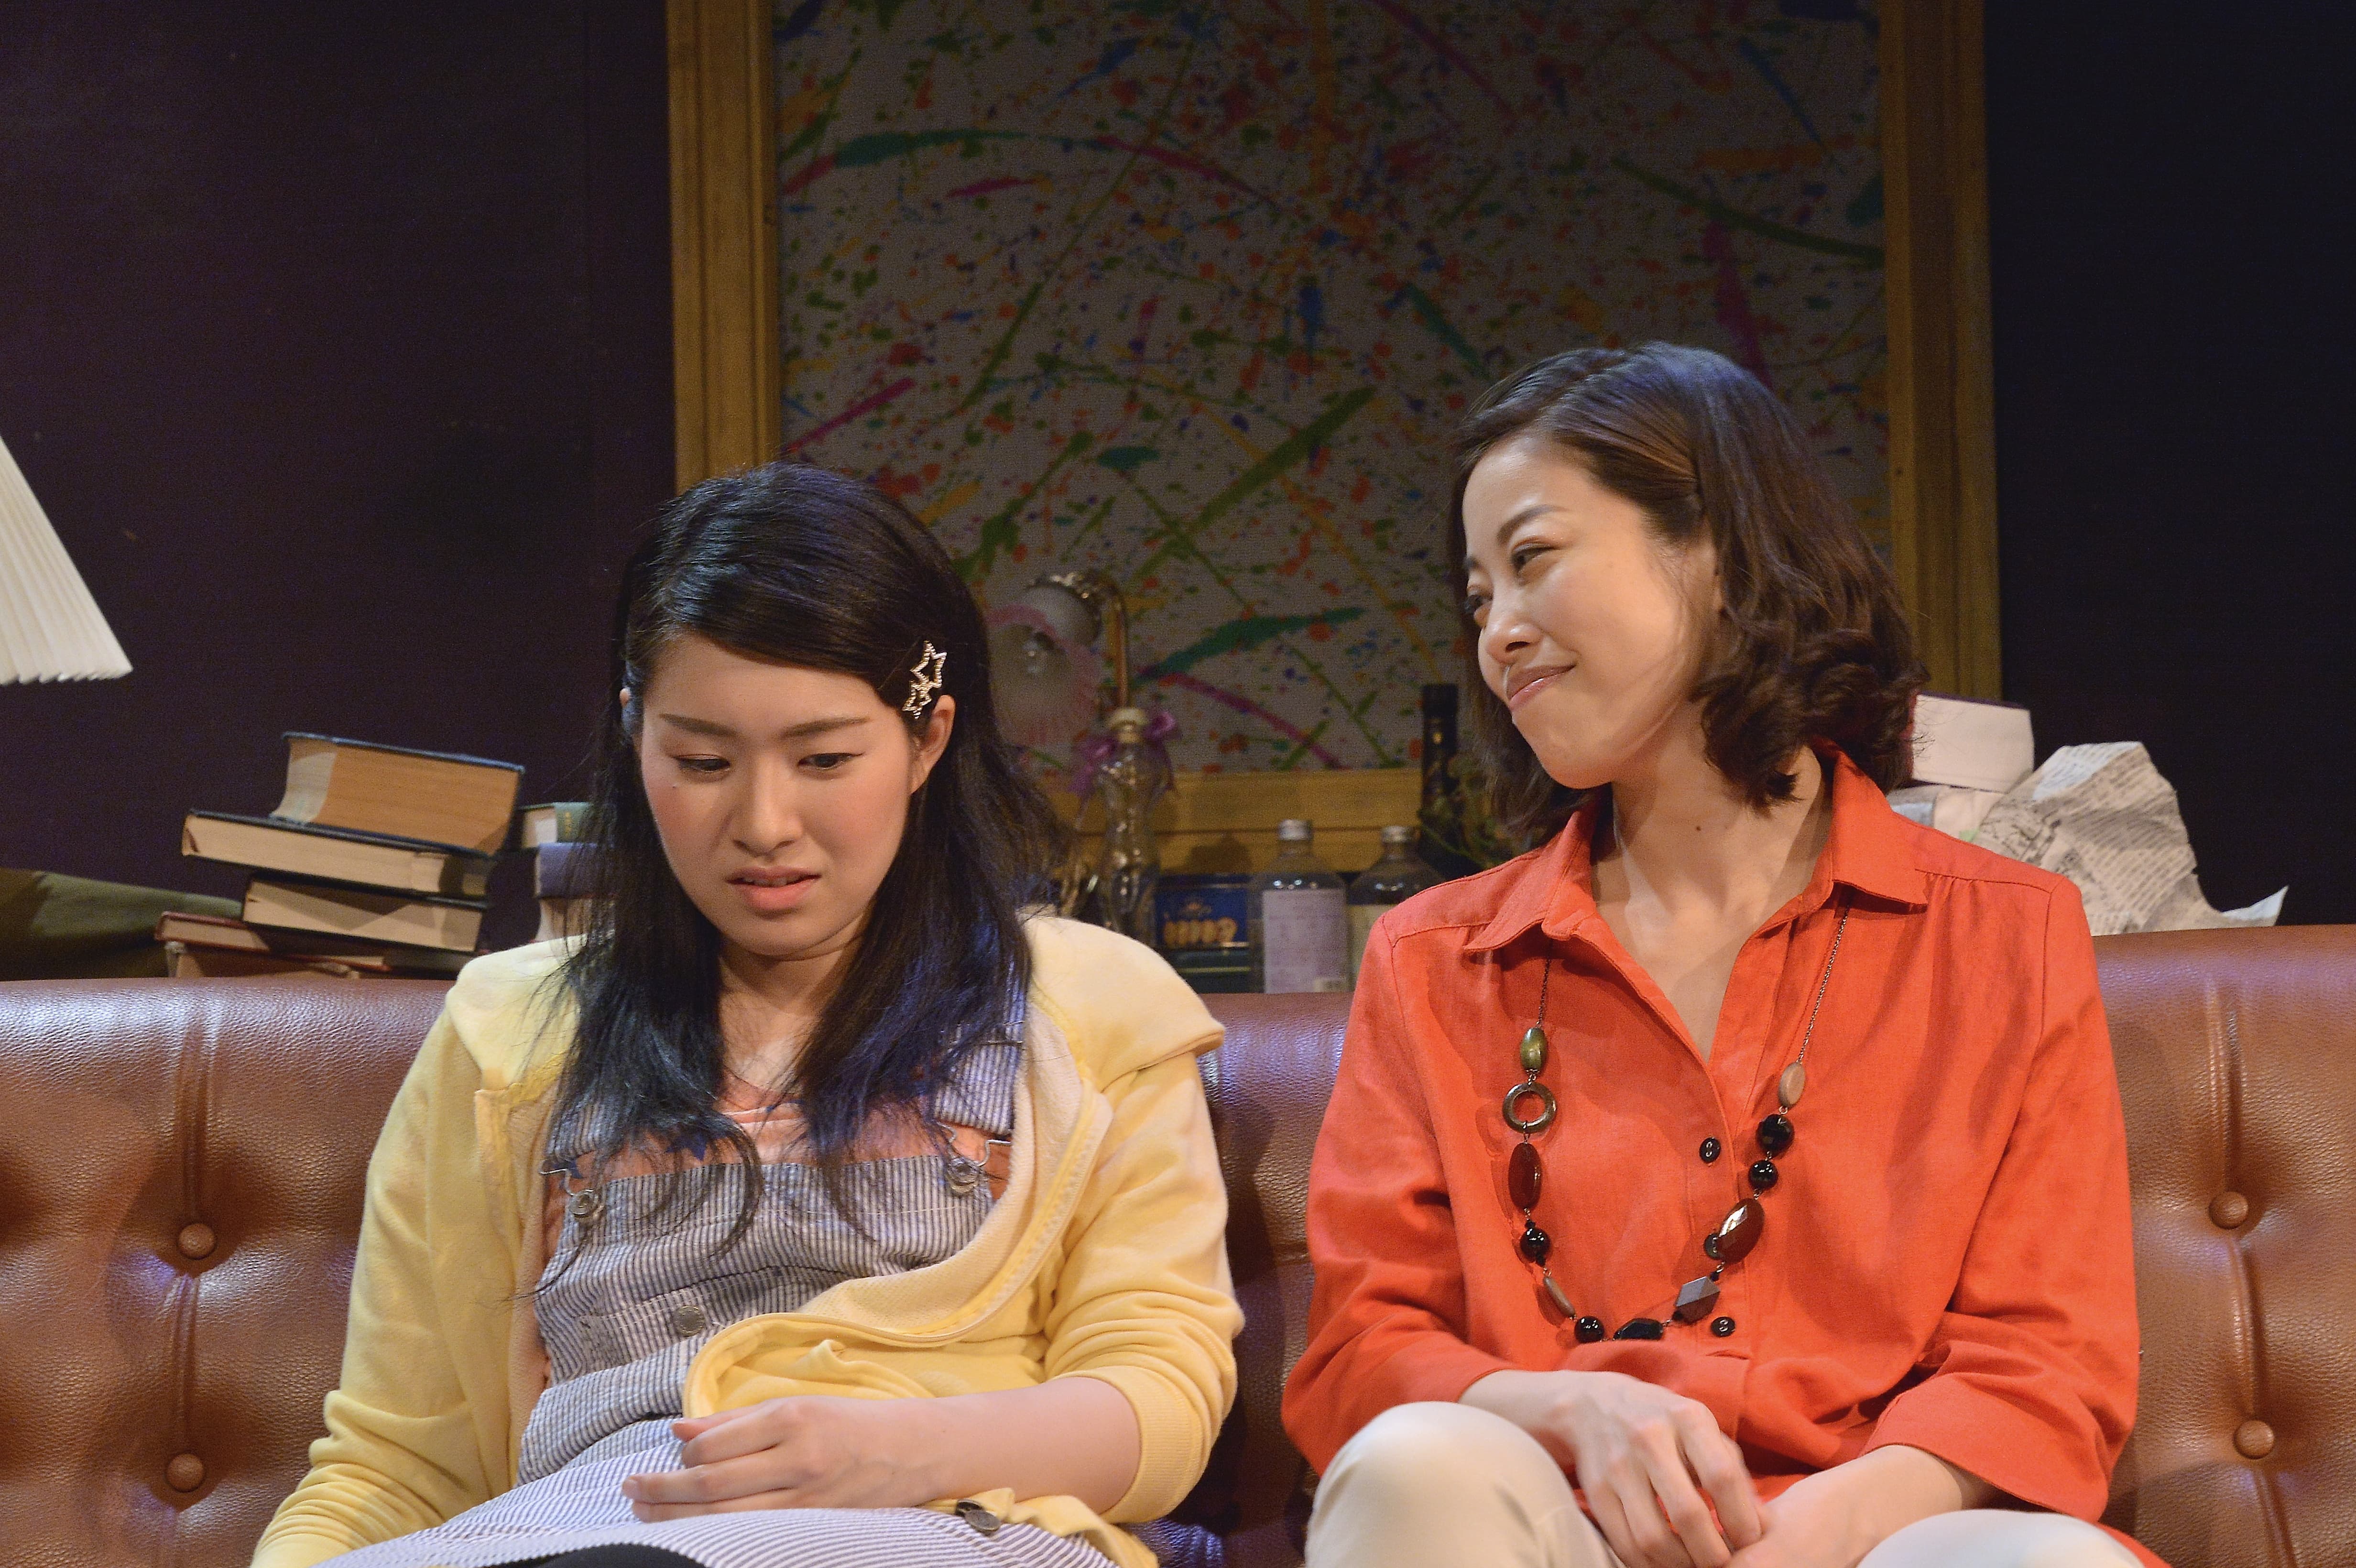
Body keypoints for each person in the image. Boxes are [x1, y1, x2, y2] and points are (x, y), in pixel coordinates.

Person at [252, 463, 1239, 1568]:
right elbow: (397, 1463)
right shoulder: (511, 1030)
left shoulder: (1091, 1005)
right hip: (578, 1530)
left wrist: (903, 1449)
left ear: (926, 740)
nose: (764, 821)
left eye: (824, 759)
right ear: (635, 734)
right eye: (703, 760)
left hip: (949, 1522)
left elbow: (1160, 1399)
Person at [1282, 345, 2152, 1568]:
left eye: (1532, 559)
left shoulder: (2004, 931)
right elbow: (1365, 1346)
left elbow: (2043, 1360)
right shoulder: (1433, 960)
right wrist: (1565, 1406)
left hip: (1873, 1537)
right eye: (1477, 599)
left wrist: (1824, 1526)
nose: (1499, 633)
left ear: (1722, 552)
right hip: (1549, 1524)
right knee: (1419, 1460)